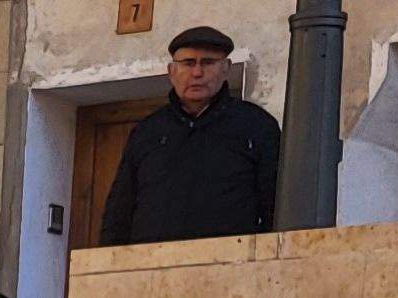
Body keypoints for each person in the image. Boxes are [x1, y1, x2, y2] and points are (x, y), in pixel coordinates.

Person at [97, 25, 280, 246]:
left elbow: (276, 207)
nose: (197, 73)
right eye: (188, 63)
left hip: (232, 268)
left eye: (208, 62)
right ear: (171, 71)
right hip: (150, 270)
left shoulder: (257, 126)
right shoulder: (147, 132)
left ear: (226, 68)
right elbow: (119, 211)